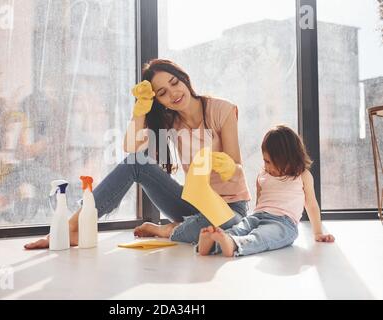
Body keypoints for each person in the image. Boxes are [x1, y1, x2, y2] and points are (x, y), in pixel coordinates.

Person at [24, 59, 251, 249]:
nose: (173, 93)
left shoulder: (222, 110)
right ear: (159, 101)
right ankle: (72, 228)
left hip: (230, 208)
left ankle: (167, 230)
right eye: (162, 93)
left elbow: (237, 169)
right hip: (195, 206)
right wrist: (140, 109)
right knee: (136, 162)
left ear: (184, 78)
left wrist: (228, 167)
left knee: (210, 229)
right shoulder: (171, 121)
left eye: (174, 83)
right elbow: (130, 147)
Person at [197, 125, 335, 258]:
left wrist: (317, 233)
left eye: (269, 161)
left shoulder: (302, 175)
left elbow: (311, 205)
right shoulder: (263, 176)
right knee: (238, 229)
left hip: (283, 223)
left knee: (262, 235)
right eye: (265, 160)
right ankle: (210, 245)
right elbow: (259, 202)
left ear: (287, 158)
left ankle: (233, 244)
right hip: (257, 216)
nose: (266, 165)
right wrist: (254, 217)